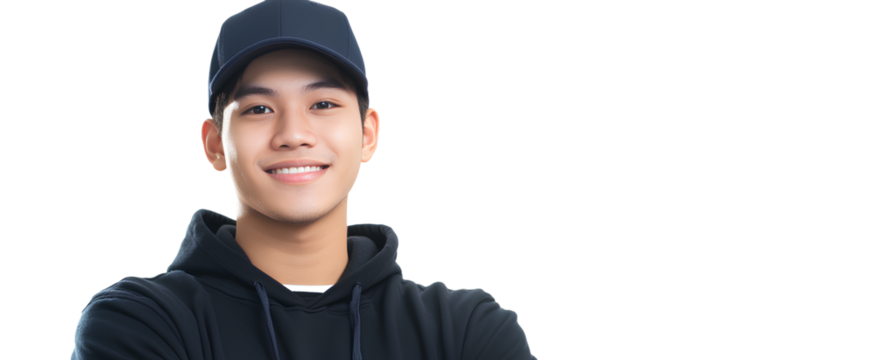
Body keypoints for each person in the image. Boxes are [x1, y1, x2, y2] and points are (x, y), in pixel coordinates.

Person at [70, 0, 536, 359]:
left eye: (323, 104)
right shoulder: (140, 321)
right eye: (258, 109)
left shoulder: (464, 329)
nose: (293, 134)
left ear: (368, 134)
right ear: (213, 144)